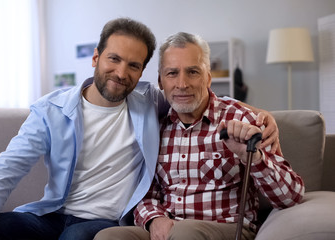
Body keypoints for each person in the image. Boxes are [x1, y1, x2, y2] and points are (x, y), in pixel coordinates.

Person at [0, 18, 280, 240]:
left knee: (77, 237)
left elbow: (196, 94)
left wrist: (262, 115)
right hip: (53, 215)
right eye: (113, 59)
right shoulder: (51, 110)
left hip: (106, 221)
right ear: (96, 58)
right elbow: (7, 167)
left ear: (143, 72)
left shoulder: (149, 100)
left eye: (133, 65)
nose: (121, 72)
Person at [94, 32, 304, 240]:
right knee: (109, 236)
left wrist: (252, 156)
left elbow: (291, 196)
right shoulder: (154, 126)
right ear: (160, 81)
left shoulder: (244, 121)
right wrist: (154, 219)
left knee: (185, 232)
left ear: (208, 77)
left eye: (193, 72)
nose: (182, 84)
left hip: (226, 229)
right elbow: (144, 193)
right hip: (168, 228)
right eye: (172, 73)